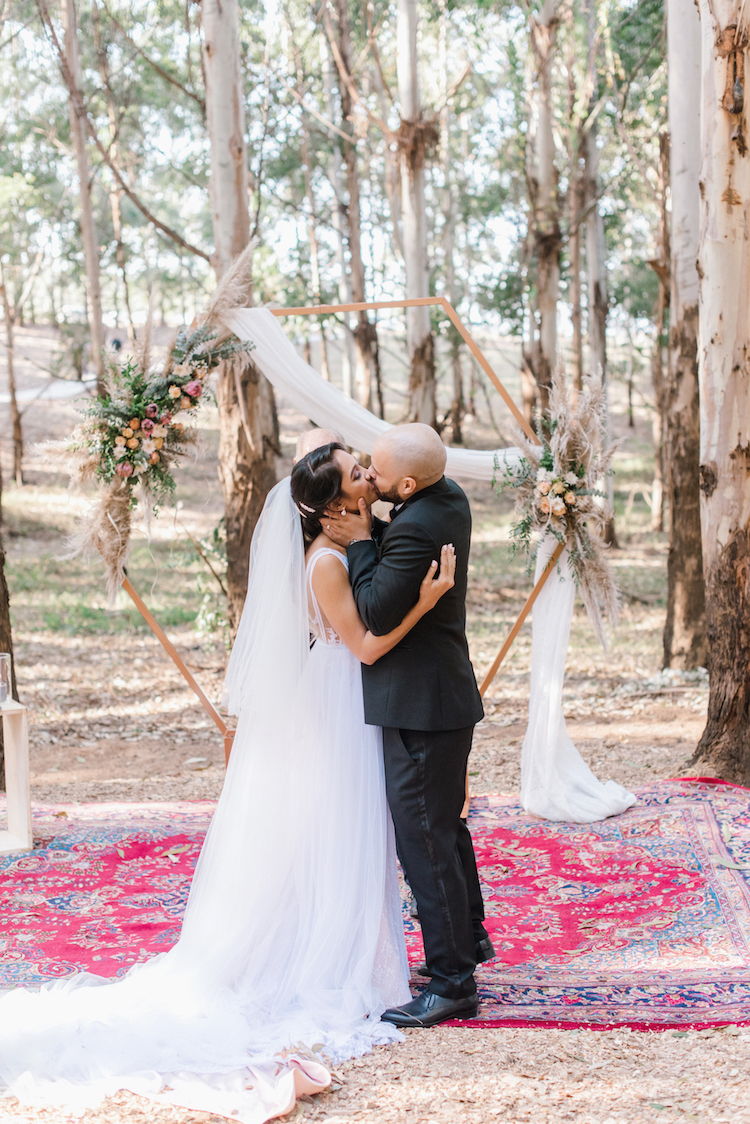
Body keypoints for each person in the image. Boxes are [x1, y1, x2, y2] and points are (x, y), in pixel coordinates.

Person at [0, 446, 455, 1123]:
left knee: (349, 829)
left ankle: (359, 951)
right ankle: (334, 960)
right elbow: (362, 646)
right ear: (331, 509)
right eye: (353, 472)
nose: (367, 473)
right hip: (337, 704)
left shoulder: (342, 545)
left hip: (341, 700)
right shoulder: (326, 564)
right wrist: (425, 601)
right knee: (344, 828)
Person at [324, 423, 495, 1028]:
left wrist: (364, 537)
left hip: (421, 706)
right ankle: (468, 942)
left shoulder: (415, 525)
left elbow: (373, 611)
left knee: (423, 839)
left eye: (375, 469)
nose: (367, 474)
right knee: (442, 828)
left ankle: (452, 982)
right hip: (441, 698)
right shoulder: (444, 498)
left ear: (406, 483)